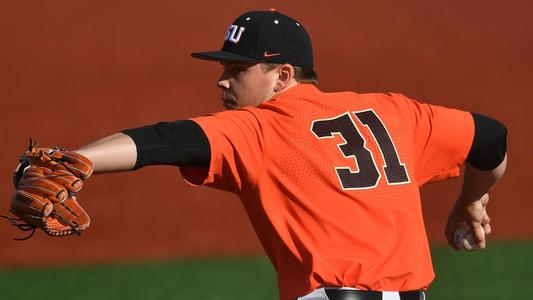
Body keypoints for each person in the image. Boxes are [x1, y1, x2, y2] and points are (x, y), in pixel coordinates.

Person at [15, 9, 508, 300]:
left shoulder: (262, 127)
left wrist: (77, 158)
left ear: (283, 76)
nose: (222, 81)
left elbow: (165, 140)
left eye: (237, 69)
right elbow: (491, 139)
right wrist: (471, 200)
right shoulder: (394, 112)